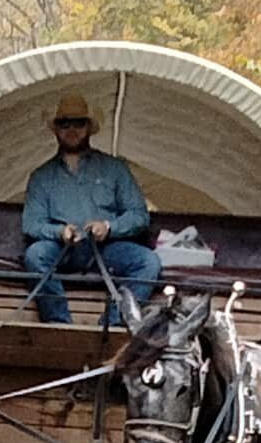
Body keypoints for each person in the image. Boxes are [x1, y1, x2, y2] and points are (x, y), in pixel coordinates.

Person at [21, 93, 161, 325]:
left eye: (79, 123)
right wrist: (60, 232)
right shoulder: (41, 176)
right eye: (64, 124)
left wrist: (109, 227)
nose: (72, 130)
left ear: (89, 127)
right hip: (62, 250)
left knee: (149, 263)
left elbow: (139, 215)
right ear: (56, 129)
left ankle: (114, 322)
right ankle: (60, 324)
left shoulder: (115, 169)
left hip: (107, 249)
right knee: (35, 256)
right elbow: (32, 223)